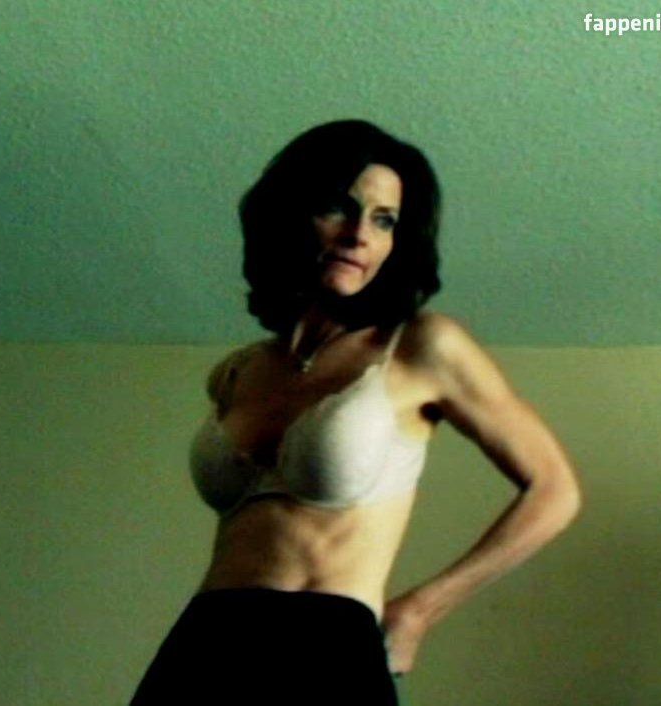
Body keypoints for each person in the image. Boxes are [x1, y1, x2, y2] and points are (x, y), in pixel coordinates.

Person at [130, 120, 581, 705]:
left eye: (383, 219)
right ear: (291, 215)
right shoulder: (237, 372)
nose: (358, 234)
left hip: (330, 652)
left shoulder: (421, 346)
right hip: (204, 645)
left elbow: (555, 490)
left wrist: (422, 609)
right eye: (338, 208)